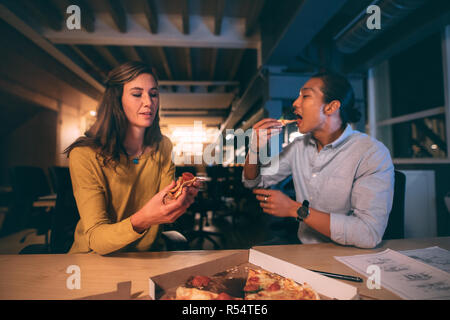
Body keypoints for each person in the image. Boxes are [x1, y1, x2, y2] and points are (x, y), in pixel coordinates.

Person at [242, 72, 394, 249]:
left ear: (331, 107)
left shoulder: (371, 153)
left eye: (305, 96)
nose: (295, 103)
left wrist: (295, 209)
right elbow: (253, 182)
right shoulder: (298, 147)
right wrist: (254, 149)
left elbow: (368, 234)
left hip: (351, 254)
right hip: (305, 249)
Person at [64, 61, 199, 255]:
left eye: (153, 94)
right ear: (117, 100)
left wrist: (178, 199)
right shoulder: (84, 154)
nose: (148, 102)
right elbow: (97, 240)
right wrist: (144, 219)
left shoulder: (163, 146)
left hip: (149, 256)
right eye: (137, 94)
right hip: (95, 260)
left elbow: (164, 205)